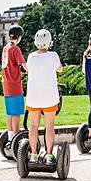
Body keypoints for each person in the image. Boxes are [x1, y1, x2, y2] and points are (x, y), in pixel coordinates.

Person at [25, 29, 63, 165]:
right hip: (49, 96)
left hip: (34, 96)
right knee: (49, 125)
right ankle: (49, 155)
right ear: (50, 42)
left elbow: (28, 70)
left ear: (36, 43)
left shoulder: (31, 57)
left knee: (34, 125)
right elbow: (60, 69)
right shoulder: (53, 55)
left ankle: (34, 154)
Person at [1, 25, 27, 146]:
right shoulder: (15, 49)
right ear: (19, 36)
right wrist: (29, 71)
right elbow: (23, 64)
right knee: (16, 113)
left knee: (10, 112)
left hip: (6, 85)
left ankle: (11, 137)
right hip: (15, 84)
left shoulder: (6, 48)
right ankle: (16, 139)